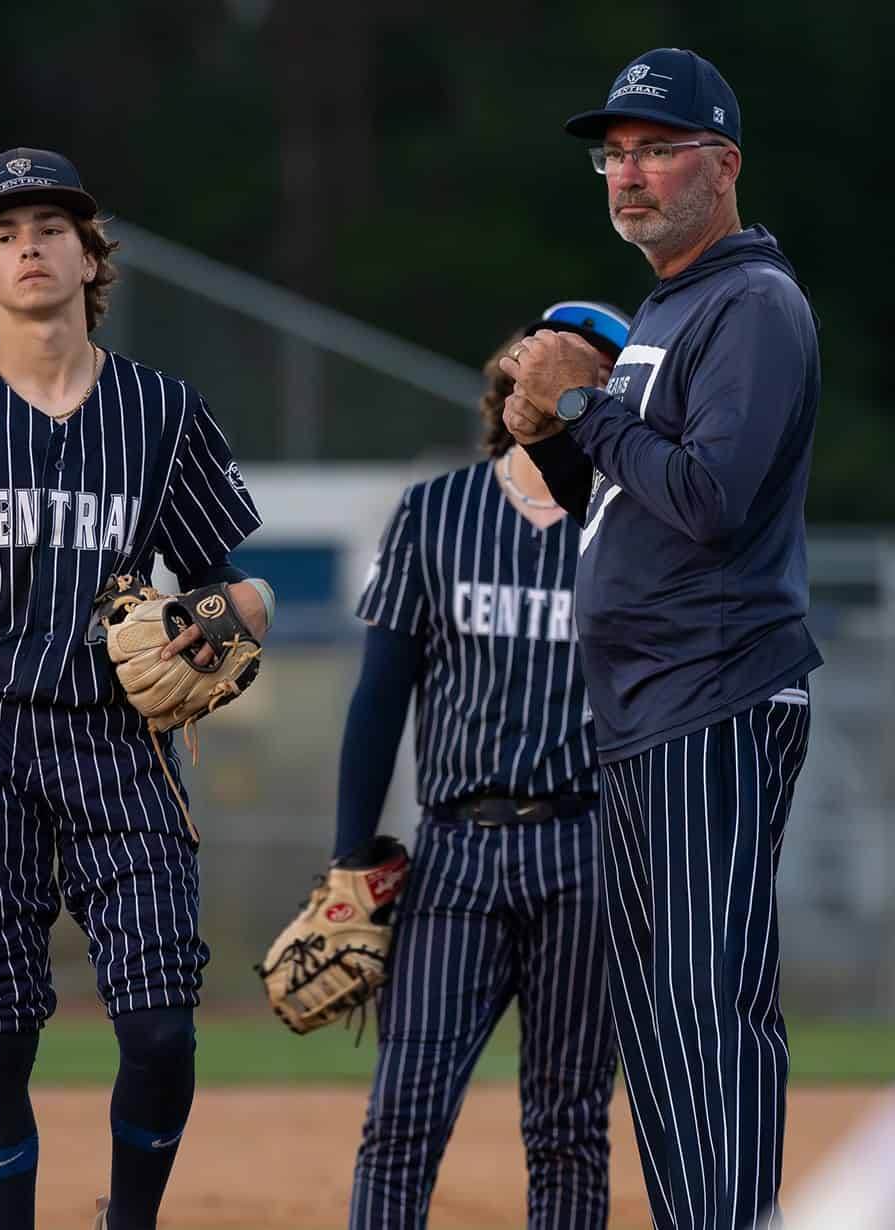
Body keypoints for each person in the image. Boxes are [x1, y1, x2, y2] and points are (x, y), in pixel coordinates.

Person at [0, 147, 272, 1230]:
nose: (28, 244)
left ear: (90, 256)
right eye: (1, 233)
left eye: (49, 226)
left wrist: (226, 623)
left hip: (122, 749)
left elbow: (238, 584)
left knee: (162, 1023)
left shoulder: (161, 412)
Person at [501, 48, 821, 1230]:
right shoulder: (669, 305)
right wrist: (552, 433)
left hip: (714, 694)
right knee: (659, 1009)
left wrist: (588, 403)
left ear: (721, 164)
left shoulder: (751, 303)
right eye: (614, 154)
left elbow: (710, 497)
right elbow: (629, 500)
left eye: (657, 148)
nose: (628, 174)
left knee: (704, 997)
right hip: (646, 705)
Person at [342, 300, 628, 1229]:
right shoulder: (436, 509)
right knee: (403, 1115)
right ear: (510, 369)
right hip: (455, 852)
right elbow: (380, 693)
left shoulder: (628, 528)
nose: (551, 369)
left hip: (587, 850)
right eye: (542, 351)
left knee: (568, 1126)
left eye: (582, 364)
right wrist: (350, 856)